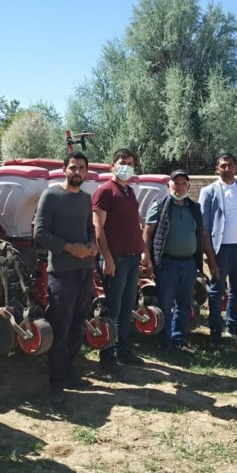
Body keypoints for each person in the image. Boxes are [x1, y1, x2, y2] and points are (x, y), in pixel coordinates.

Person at [35, 151, 97, 407]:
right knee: (61, 327)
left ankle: (70, 371)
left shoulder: (85, 198)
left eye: (81, 168)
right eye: (73, 167)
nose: (77, 172)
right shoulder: (51, 195)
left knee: (78, 325)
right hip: (62, 272)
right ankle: (56, 382)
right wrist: (70, 248)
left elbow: (90, 228)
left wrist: (92, 244)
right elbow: (39, 232)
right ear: (64, 169)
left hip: (85, 270)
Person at [143, 170, 219, 354]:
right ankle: (165, 342)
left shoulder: (194, 208)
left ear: (189, 186)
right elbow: (147, 233)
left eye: (183, 183)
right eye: (176, 183)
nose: (180, 187)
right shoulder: (159, 206)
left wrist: (212, 262)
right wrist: (146, 257)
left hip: (189, 264)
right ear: (169, 185)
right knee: (165, 304)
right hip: (167, 264)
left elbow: (203, 235)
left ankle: (179, 340)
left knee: (184, 304)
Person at [92, 148, 145, 372]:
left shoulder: (130, 192)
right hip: (116, 260)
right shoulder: (104, 192)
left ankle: (124, 348)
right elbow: (98, 228)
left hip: (132, 259)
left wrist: (143, 252)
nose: (127, 166)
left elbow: (136, 225)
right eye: (122, 162)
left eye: (130, 162)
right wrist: (107, 258)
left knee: (126, 307)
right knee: (112, 308)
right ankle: (107, 353)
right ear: (112, 165)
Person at [199, 153, 237, 347]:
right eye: (223, 166)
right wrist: (207, 253)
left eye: (230, 165)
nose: (227, 169)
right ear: (217, 168)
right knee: (217, 290)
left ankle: (233, 326)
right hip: (220, 250)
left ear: (236, 167)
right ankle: (215, 330)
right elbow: (204, 226)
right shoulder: (209, 192)